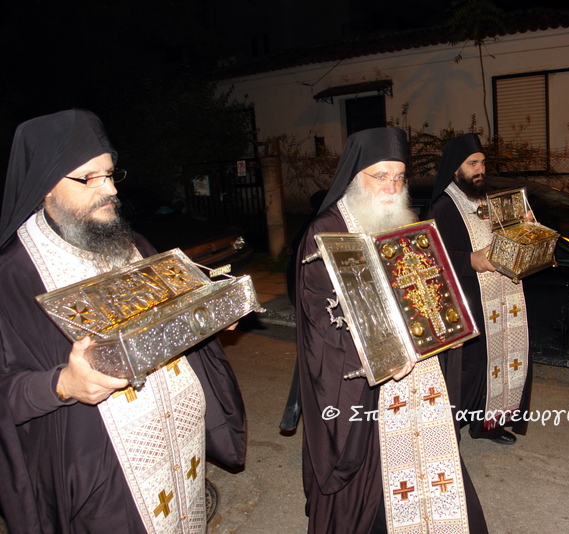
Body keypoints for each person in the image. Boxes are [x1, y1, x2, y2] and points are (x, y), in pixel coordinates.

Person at [0, 109, 246, 533]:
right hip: (102, 478)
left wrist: (207, 317)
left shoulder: (133, 244)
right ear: (45, 185)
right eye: (89, 178)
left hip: (180, 451)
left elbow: (173, 320)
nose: (110, 190)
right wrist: (62, 385)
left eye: (111, 174)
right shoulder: (12, 276)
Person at [294, 127, 488, 533]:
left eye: (399, 176)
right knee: (378, 472)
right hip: (369, 379)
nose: (392, 186)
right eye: (381, 175)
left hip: (420, 371)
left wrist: (445, 323)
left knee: (431, 459)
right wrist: (375, 354)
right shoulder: (325, 229)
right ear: (355, 176)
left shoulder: (407, 219)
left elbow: (429, 284)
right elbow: (318, 315)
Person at [426, 133, 532, 445]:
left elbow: (508, 243)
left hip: (503, 298)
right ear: (455, 168)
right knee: (468, 370)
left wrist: (525, 229)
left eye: (483, 163)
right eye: (472, 163)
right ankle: (450, 433)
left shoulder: (490, 201)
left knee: (499, 362)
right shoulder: (442, 207)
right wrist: (469, 260)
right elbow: (430, 259)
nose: (480, 169)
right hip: (467, 301)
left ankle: (489, 425)